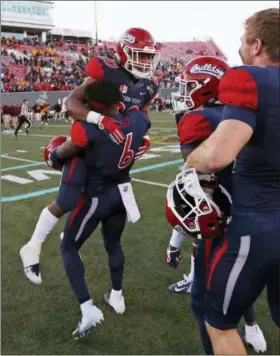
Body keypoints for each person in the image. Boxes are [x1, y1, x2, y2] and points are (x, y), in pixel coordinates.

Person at [19, 27, 159, 285]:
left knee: (103, 203)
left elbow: (144, 113)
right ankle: (33, 246)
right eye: (140, 55)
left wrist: (144, 137)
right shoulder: (106, 72)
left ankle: (72, 243)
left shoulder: (149, 85)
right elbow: (71, 102)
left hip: (113, 149)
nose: (146, 62)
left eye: (149, 56)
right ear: (124, 53)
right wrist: (99, 119)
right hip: (90, 142)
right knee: (68, 199)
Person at [185, 8, 280, 355]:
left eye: (243, 40)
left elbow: (216, 156)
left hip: (259, 225)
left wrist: (190, 164)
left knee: (220, 326)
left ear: (257, 44)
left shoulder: (249, 78)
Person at [166, 56, 266, 353]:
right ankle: (253, 327)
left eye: (189, 87)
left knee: (206, 307)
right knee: (245, 285)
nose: (183, 93)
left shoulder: (197, 120)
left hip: (223, 224)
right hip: (261, 216)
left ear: (206, 88)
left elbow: (194, 188)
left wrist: (174, 243)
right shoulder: (248, 114)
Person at [49, 92, 151, 340]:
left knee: (69, 247)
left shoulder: (91, 131)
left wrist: (53, 154)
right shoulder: (137, 120)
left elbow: (59, 155)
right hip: (122, 194)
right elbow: (144, 117)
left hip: (96, 195)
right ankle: (117, 296)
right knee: (113, 244)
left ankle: (88, 310)